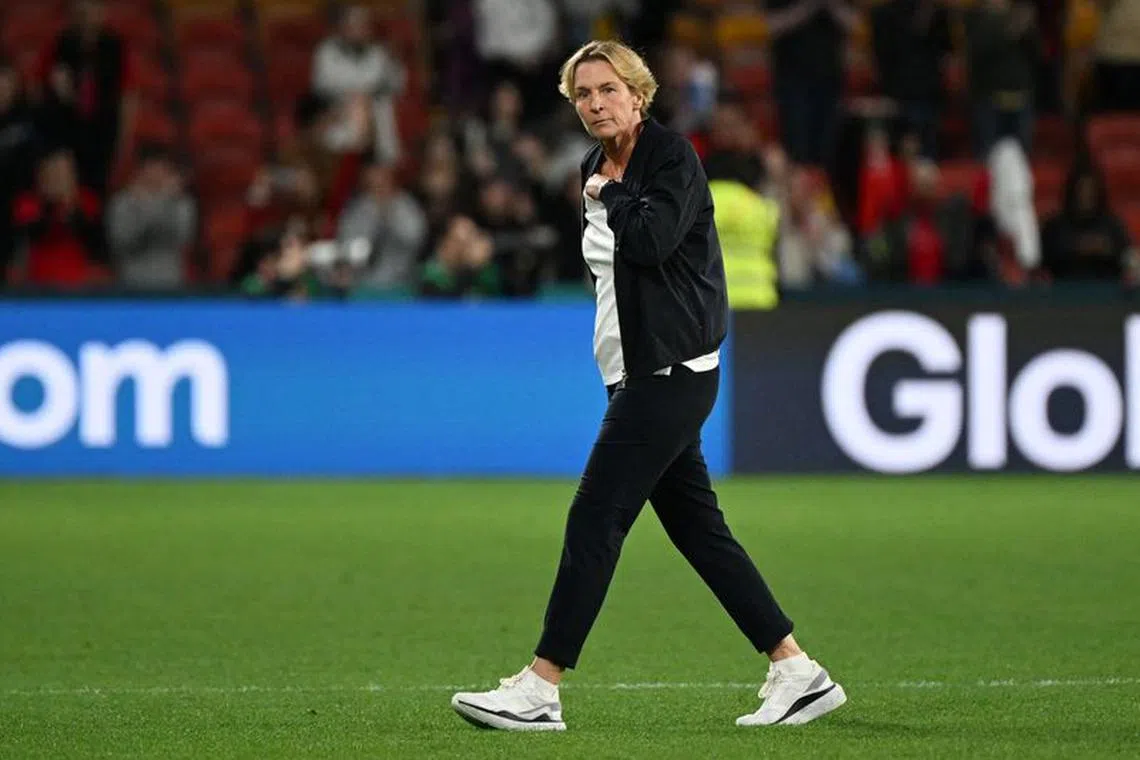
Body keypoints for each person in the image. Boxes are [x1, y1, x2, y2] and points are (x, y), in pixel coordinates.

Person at [449, 40, 847, 732]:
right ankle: (796, 670)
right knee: (700, 532)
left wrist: (608, 192)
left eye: (608, 90)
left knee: (594, 520)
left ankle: (541, 687)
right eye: (583, 94)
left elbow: (652, 240)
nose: (596, 104)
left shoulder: (669, 158)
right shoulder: (591, 166)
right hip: (633, 374)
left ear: (639, 94)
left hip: (670, 376)